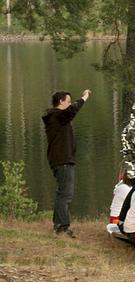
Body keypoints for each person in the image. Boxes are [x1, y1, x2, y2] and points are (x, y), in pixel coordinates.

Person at [42, 88, 90, 237]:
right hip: (62, 160)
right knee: (66, 194)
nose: (70, 104)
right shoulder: (57, 116)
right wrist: (84, 98)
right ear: (61, 102)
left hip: (61, 159)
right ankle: (62, 227)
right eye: (68, 101)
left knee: (61, 193)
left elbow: (69, 113)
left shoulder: (57, 117)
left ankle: (58, 224)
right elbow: (71, 111)